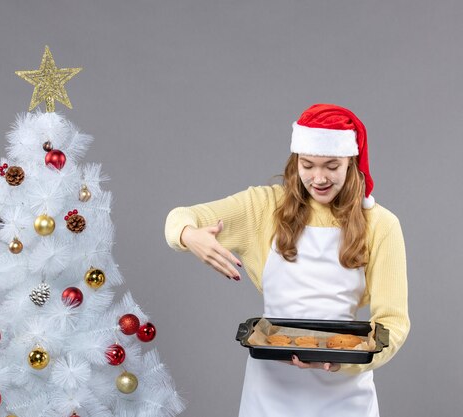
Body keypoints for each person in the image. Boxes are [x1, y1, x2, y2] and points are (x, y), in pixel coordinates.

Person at [164, 103, 409, 417]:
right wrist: (189, 235)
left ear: (351, 162)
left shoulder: (381, 225)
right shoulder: (264, 207)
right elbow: (180, 217)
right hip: (270, 396)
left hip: (345, 397)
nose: (318, 178)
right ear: (296, 162)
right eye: (308, 165)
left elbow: (393, 324)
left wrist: (339, 361)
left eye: (331, 166)